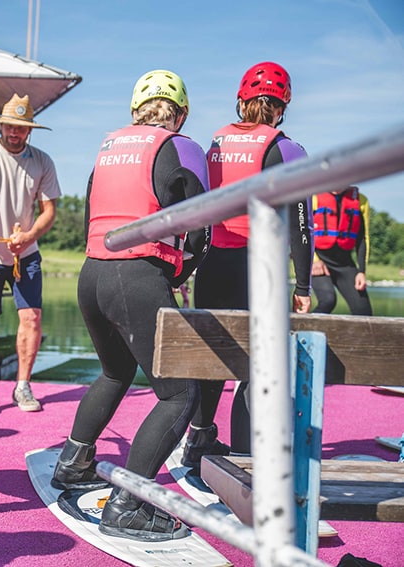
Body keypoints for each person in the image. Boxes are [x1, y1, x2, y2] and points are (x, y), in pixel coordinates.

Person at [51, 70, 210, 541]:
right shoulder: (181, 146)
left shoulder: (108, 148)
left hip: (91, 273)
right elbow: (202, 229)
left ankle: (74, 462)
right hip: (137, 277)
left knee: (116, 372)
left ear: (135, 111)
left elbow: (90, 213)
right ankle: (130, 504)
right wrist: (176, 274)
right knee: (180, 395)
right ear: (179, 113)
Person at [182, 61, 313, 469]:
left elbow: (198, 214)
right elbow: (301, 225)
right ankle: (244, 458)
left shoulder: (215, 144)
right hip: (260, 269)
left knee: (211, 360)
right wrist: (304, 285)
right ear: (281, 107)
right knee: (257, 367)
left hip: (213, 264)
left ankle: (199, 443)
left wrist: (188, 267)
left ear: (241, 102)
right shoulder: (285, 149)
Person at [0, 93, 60, 419]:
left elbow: (49, 210)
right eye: (8, 126)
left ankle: (23, 384)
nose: (13, 132)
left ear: (29, 130)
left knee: (31, 317)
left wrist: (30, 235)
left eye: (20, 128)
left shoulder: (43, 161)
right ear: (1, 125)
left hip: (26, 251)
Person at [311, 186, 372, 315]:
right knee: (328, 300)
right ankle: (305, 332)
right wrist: (314, 260)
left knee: (363, 310)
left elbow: (363, 239)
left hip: (344, 263)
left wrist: (361, 271)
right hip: (318, 261)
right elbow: (299, 232)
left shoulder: (361, 200)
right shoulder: (312, 197)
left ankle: (357, 336)